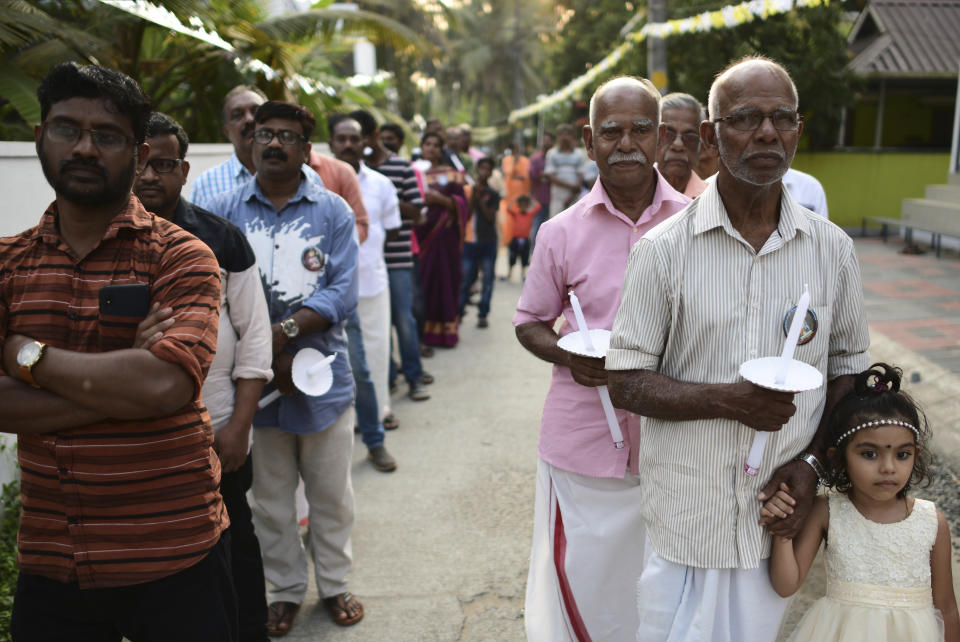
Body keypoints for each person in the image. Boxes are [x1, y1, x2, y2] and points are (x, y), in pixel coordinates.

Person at [606, 56, 871, 642]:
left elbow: (849, 373)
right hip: (688, 516)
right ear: (710, 135)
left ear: (799, 131)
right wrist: (731, 401)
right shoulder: (663, 251)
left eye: (782, 119)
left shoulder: (832, 251)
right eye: (747, 118)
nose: (768, 133)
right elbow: (625, 379)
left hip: (776, 518)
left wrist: (811, 465)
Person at [2, 62, 234, 641]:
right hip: (54, 561)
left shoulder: (182, 257)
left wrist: (28, 359)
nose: (84, 147)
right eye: (66, 129)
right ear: (40, 138)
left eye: (105, 136)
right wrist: (124, 382)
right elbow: (150, 390)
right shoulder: (7, 265)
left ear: (136, 151)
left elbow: (166, 387)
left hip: (177, 553)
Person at [514, 76, 689, 642]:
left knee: (661, 590)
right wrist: (568, 353)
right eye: (610, 131)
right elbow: (529, 322)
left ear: (662, 139)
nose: (626, 143)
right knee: (584, 585)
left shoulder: (698, 224)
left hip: (675, 443)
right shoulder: (559, 232)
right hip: (585, 442)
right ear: (589, 143)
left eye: (641, 129)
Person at [206, 101, 363, 635]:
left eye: (286, 136)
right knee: (270, 501)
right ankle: (287, 591)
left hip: (323, 381)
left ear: (305, 149)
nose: (273, 144)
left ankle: (337, 585)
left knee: (331, 496)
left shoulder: (333, 211)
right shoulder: (225, 213)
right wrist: (261, 352)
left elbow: (342, 292)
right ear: (249, 143)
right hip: (256, 388)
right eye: (263, 134)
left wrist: (283, 332)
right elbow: (216, 296)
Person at [134, 112, 274, 642]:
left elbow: (255, 338)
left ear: (184, 170)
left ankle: (251, 631)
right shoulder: (104, 241)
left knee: (235, 541)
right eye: (143, 162)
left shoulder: (222, 239)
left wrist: (239, 426)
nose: (150, 176)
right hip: (135, 432)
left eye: (164, 164)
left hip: (216, 428)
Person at [764, 363, 960, 642]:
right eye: (870, 454)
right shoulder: (827, 511)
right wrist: (783, 534)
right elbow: (786, 585)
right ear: (839, 459)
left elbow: (947, 608)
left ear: (916, 454)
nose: (888, 468)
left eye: (902, 455)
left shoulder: (932, 522)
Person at [329, 114, 401, 471]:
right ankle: (349, 419)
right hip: (330, 292)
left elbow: (390, 230)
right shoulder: (317, 182)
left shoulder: (382, 184)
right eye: (340, 139)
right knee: (342, 362)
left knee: (375, 354)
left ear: (365, 143)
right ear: (330, 143)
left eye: (353, 139)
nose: (347, 145)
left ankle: (378, 415)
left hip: (372, 281)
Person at [353, 111, 432, 401]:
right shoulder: (348, 172)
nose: (356, 144)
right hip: (364, 263)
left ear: (371, 137)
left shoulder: (400, 168)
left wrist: (386, 200)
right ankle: (385, 382)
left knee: (403, 320)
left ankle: (414, 378)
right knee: (375, 329)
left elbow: (419, 211)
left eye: (361, 137)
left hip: (397, 259)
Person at [414, 131, 468, 348]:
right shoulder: (413, 171)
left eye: (436, 145)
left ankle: (445, 333)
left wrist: (441, 200)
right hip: (420, 235)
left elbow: (462, 204)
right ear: (422, 146)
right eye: (428, 144)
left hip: (444, 237)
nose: (432, 148)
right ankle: (421, 333)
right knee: (422, 284)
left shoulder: (453, 174)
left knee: (445, 281)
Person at [459, 157, 500, 328]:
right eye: (481, 168)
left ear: (491, 172)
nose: (484, 171)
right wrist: (473, 196)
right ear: (477, 170)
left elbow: (491, 218)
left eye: (487, 169)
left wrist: (480, 198)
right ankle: (458, 312)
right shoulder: (468, 190)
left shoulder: (493, 194)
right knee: (465, 279)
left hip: (488, 242)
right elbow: (465, 215)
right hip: (469, 242)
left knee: (488, 279)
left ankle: (483, 313)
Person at [657, 92, 709, 198]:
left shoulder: (713, 198)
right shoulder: (632, 192)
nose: (678, 145)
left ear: (701, 145)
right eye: (668, 134)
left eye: (689, 137)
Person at [544, 124, 589, 219]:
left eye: (567, 134)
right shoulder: (552, 154)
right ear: (557, 137)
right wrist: (572, 186)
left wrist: (572, 194)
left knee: (575, 224)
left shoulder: (579, 154)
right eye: (561, 134)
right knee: (556, 224)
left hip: (574, 198)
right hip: (558, 198)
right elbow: (551, 177)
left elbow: (581, 175)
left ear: (572, 136)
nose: (564, 137)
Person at [527, 132, 554, 249]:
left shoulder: (554, 157)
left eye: (548, 141)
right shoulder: (535, 159)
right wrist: (544, 176)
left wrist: (546, 176)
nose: (546, 143)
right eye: (544, 141)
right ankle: (534, 253)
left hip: (554, 199)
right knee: (537, 227)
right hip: (539, 198)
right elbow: (532, 175)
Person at [505, 194, 540, 281]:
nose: (523, 207)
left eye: (525, 205)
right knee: (512, 256)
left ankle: (523, 273)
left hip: (525, 239)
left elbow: (538, 207)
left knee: (524, 257)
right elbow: (508, 208)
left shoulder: (529, 214)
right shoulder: (516, 213)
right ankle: (509, 273)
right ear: (519, 205)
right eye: (522, 205)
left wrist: (531, 198)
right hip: (515, 239)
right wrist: (515, 198)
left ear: (528, 206)